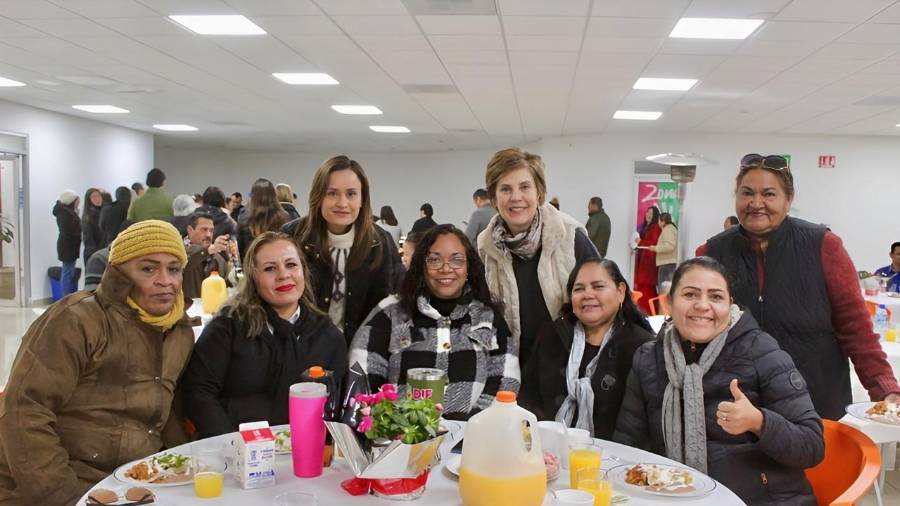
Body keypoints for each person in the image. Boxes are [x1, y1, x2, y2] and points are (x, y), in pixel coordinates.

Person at [0, 220, 194, 504]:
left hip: (135, 481)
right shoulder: (77, 320)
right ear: (119, 272)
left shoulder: (179, 331)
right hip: (57, 484)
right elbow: (25, 412)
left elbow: (169, 412)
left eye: (174, 269)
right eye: (148, 269)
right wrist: (65, 498)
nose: (165, 281)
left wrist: (185, 472)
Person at [698, 153, 900, 420]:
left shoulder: (823, 247)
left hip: (815, 406)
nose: (756, 203)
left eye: (769, 194)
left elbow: (856, 329)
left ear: (789, 199)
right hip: (737, 408)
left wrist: (885, 389)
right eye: (746, 193)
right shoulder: (712, 252)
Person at [614, 257, 824, 506]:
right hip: (673, 499)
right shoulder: (649, 358)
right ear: (669, 302)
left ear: (730, 304)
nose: (703, 305)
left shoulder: (760, 351)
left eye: (715, 297)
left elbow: (812, 446)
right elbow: (628, 444)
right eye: (690, 294)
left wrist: (759, 422)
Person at [184, 232, 347, 437]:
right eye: (270, 268)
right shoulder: (227, 327)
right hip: (235, 446)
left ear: (304, 271)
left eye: (291, 265)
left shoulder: (327, 335)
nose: (283, 275)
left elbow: (338, 405)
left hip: (307, 448)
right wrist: (232, 443)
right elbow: (199, 394)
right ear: (253, 277)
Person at [350, 224, 518, 420]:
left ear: (469, 268)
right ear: (421, 266)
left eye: (456, 260)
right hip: (399, 436)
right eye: (434, 260)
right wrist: (394, 423)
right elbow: (362, 374)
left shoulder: (487, 316)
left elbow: (506, 379)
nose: (445, 268)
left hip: (473, 435)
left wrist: (471, 425)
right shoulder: (390, 312)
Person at [477, 148, 598, 369]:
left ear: (539, 192)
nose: (516, 197)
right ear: (493, 197)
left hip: (569, 367)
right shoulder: (486, 247)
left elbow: (603, 301)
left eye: (525, 187)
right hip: (514, 369)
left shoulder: (570, 236)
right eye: (505, 189)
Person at [520, 258, 653, 438]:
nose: (588, 294)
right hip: (546, 446)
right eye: (579, 289)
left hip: (612, 452)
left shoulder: (641, 347)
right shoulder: (552, 335)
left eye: (598, 286)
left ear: (620, 292)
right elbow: (528, 396)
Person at [284, 155, 401, 343]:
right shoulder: (292, 236)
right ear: (318, 197)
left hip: (361, 348)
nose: (342, 203)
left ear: (362, 199)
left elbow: (394, 301)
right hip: (300, 347)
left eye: (351, 194)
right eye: (332, 193)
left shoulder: (380, 242)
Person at [238, 178, 289, 260]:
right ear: (274, 195)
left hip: (252, 262)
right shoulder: (283, 216)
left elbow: (240, 247)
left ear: (253, 196)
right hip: (276, 261)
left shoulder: (243, 217)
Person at [182, 212, 231, 300]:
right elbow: (185, 265)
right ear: (190, 230)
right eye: (204, 229)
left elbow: (228, 284)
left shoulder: (218, 256)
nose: (208, 235)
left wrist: (232, 258)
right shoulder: (179, 251)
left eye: (211, 231)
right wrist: (207, 251)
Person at [53, 190, 81, 296]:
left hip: (69, 246)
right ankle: (65, 297)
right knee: (67, 272)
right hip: (68, 246)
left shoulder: (68, 212)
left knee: (69, 271)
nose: (78, 203)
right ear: (71, 201)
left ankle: (67, 296)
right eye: (77, 201)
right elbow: (67, 231)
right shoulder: (65, 213)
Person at [634, 205, 661, 313]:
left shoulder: (656, 228)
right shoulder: (645, 227)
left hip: (649, 263)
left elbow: (654, 243)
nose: (648, 215)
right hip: (642, 262)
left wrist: (641, 242)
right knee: (642, 288)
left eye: (651, 213)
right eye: (647, 212)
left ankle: (647, 312)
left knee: (646, 289)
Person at [650, 212, 678, 294]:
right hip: (668, 262)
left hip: (667, 263)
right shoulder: (671, 229)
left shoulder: (668, 230)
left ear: (662, 221)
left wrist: (655, 248)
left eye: (659, 220)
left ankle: (663, 303)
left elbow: (670, 246)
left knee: (664, 291)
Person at [81, 187, 105, 263]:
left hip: (105, 252)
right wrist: (97, 254)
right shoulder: (88, 217)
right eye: (94, 197)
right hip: (94, 254)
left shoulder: (105, 212)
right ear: (89, 200)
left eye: (99, 196)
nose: (97, 199)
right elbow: (88, 240)